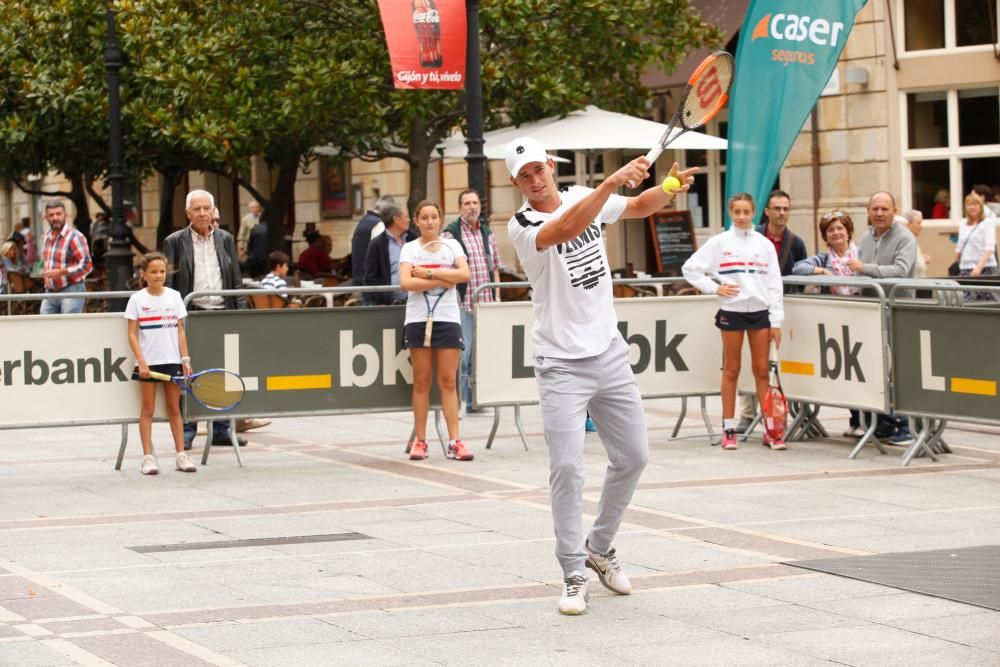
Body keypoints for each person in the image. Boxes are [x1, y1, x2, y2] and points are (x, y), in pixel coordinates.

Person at [506, 135, 696, 615]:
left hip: (608, 352)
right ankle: (573, 571)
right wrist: (612, 180)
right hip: (560, 363)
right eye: (524, 175)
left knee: (634, 456)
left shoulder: (581, 195)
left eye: (539, 168)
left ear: (551, 165)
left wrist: (670, 186)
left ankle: (600, 547)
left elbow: (636, 206)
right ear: (517, 183)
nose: (534, 178)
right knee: (567, 468)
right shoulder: (523, 224)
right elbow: (565, 229)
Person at [683, 193, 784, 451]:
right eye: (737, 212)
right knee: (731, 370)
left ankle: (771, 430)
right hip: (732, 311)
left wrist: (776, 321)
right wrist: (714, 288)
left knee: (762, 370)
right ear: (730, 213)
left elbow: (774, 284)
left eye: (746, 212)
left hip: (760, 312)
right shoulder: (719, 242)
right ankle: (729, 428)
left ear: (754, 213)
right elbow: (690, 268)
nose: (741, 217)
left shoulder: (765, 244)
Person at [162, 189, 248, 450]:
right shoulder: (175, 241)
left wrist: (241, 315)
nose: (202, 213)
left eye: (206, 208)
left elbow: (235, 279)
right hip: (192, 315)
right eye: (197, 209)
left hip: (222, 314)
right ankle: (188, 429)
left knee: (225, 372)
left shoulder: (226, 239)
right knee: (190, 372)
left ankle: (222, 428)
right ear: (187, 213)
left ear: (213, 211)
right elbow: (171, 282)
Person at [399, 200, 473, 462]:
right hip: (418, 318)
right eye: (424, 217)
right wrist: (446, 276)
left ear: (440, 219)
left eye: (434, 217)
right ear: (416, 221)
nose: (430, 222)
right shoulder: (409, 248)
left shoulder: (452, 245)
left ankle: (455, 442)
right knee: (421, 381)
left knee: (449, 381)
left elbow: (464, 275)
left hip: (448, 317)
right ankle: (420, 441)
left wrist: (429, 275)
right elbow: (407, 282)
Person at [734, 190, 804, 432]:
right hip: (747, 308)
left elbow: (799, 274)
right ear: (766, 211)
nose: (782, 213)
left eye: (786, 208)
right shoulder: (752, 237)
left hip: (775, 310)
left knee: (767, 366)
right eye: (777, 208)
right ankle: (745, 414)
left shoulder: (795, 242)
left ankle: (773, 420)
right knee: (747, 363)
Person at [849, 191, 916, 445]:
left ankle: (906, 426)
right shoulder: (866, 237)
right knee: (876, 369)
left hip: (897, 310)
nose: (879, 213)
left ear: (894, 211)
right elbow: (859, 273)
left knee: (899, 369)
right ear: (868, 210)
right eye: (874, 208)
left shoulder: (906, 238)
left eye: (884, 209)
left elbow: (900, 270)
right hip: (871, 311)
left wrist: (865, 269)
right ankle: (884, 423)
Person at [124, 252, 197, 475]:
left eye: (162, 271)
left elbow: (180, 331)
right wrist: (142, 362)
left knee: (175, 409)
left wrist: (185, 359)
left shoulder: (175, 296)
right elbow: (132, 335)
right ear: (143, 274)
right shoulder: (137, 299)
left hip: (172, 361)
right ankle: (147, 458)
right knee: (147, 410)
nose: (158, 276)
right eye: (154, 272)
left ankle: (181, 455)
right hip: (148, 364)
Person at [442, 189, 501, 413]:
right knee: (464, 356)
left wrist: (497, 296)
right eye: (467, 203)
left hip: (485, 303)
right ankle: (462, 401)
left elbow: (494, 267)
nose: (472, 207)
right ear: (460, 208)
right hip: (462, 304)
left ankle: (475, 400)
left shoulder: (487, 233)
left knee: (480, 355)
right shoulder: (451, 234)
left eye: (475, 202)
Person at [40, 200, 93, 315]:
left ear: (66, 215)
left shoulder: (75, 237)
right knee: (45, 327)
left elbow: (87, 265)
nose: (55, 218)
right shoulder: (47, 237)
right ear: (46, 217)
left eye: (59, 214)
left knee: (69, 328)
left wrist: (61, 272)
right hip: (50, 292)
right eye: (51, 215)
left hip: (72, 290)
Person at [792, 210, 861, 295]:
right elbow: (797, 268)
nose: (836, 232)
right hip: (832, 306)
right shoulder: (823, 259)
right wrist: (824, 271)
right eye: (831, 230)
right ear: (825, 236)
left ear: (848, 232)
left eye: (840, 228)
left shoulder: (862, 253)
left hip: (862, 305)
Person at [364, 203, 417, 305]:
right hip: (390, 305)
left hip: (415, 302)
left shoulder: (413, 239)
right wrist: (382, 300)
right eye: (406, 216)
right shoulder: (377, 244)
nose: (409, 220)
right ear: (396, 219)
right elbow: (370, 277)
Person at [953, 192, 998, 302]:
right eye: (969, 204)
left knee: (988, 302)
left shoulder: (987, 223)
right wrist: (955, 263)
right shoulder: (963, 224)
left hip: (985, 269)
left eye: (975, 204)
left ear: (980, 206)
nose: (972, 207)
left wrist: (978, 268)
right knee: (966, 302)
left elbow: (989, 248)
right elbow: (959, 247)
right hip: (965, 269)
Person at [351, 195, 397, 303]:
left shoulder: (363, 221)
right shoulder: (379, 224)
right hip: (372, 284)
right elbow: (380, 254)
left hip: (360, 279)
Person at [902, 210, 931, 278]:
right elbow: (918, 266)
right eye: (918, 223)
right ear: (908, 224)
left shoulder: (913, 239)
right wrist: (923, 260)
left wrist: (921, 257)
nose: (921, 227)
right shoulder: (905, 241)